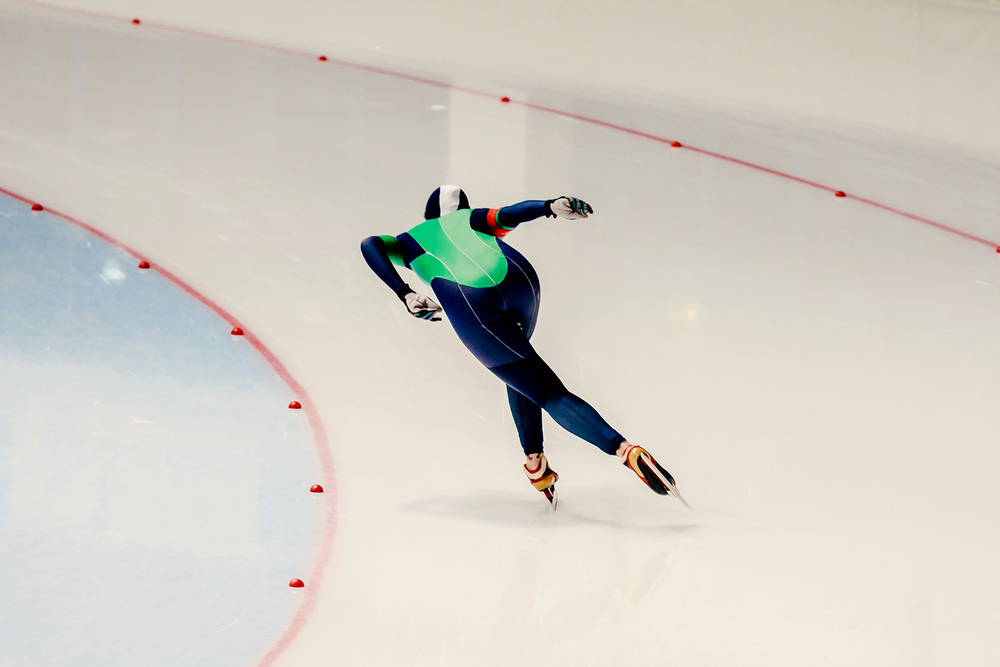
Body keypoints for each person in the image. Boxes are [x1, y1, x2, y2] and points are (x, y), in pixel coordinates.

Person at [361, 185, 689, 509]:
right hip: (522, 281)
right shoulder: (472, 218)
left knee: (546, 391)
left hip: (472, 300)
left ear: (428, 215)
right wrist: (550, 205)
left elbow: (370, 244)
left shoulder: (409, 241)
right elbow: (512, 213)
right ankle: (536, 463)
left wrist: (404, 293)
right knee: (522, 371)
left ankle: (624, 450)